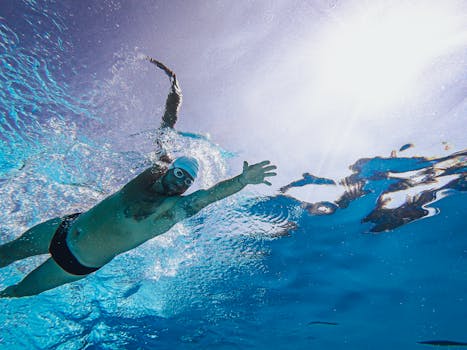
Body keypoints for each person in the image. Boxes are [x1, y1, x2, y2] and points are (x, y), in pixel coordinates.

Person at [0, 57, 277, 298]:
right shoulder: (152, 173)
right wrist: (175, 95)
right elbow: (166, 128)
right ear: (170, 169)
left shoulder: (171, 211)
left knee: (15, 292)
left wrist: (241, 181)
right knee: (7, 252)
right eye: (180, 174)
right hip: (64, 227)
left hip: (74, 262)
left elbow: (208, 197)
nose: (182, 183)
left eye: (187, 182)